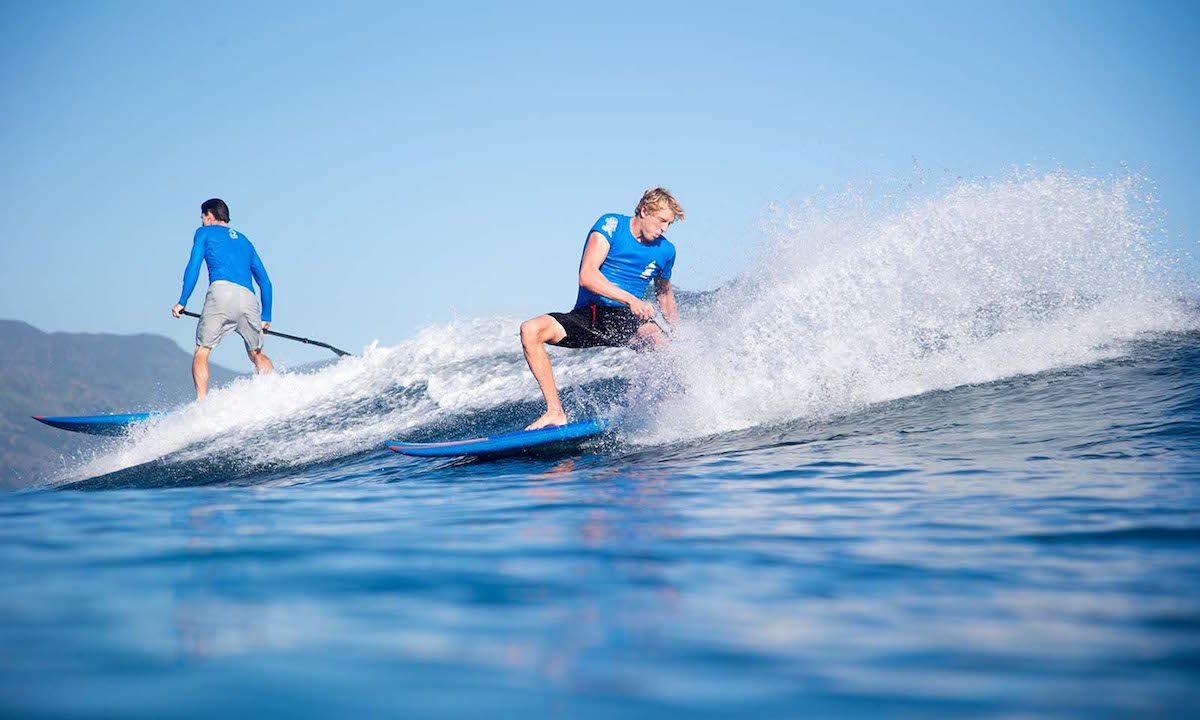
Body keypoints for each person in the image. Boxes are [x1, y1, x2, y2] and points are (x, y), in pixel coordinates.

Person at [520, 187, 683, 430]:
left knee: (665, 349)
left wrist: (677, 334)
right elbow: (587, 276)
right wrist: (630, 299)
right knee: (530, 330)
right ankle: (555, 412)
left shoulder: (666, 250)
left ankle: (670, 414)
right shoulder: (611, 225)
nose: (664, 229)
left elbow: (665, 294)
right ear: (644, 209)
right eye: (661, 221)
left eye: (669, 224)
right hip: (591, 315)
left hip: (628, 321)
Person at [171, 198, 274, 400]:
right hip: (248, 298)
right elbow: (266, 282)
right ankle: (274, 393)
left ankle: (201, 404)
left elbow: (193, 266)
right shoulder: (245, 241)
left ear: (209, 216)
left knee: (202, 350)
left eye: (202, 218)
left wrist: (182, 301)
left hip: (221, 293)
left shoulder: (204, 233)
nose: (201, 222)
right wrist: (266, 315)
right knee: (257, 353)